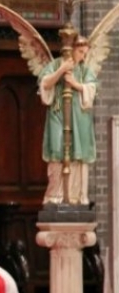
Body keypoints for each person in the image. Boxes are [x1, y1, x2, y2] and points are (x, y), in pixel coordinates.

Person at [38, 36, 97, 205]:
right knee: (57, 151)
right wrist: (61, 70)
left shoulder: (84, 70)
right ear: (71, 49)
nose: (83, 57)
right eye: (80, 52)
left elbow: (92, 88)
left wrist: (76, 84)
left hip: (79, 119)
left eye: (85, 53)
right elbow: (44, 84)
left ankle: (76, 196)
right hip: (58, 114)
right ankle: (56, 196)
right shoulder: (56, 64)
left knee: (78, 154)